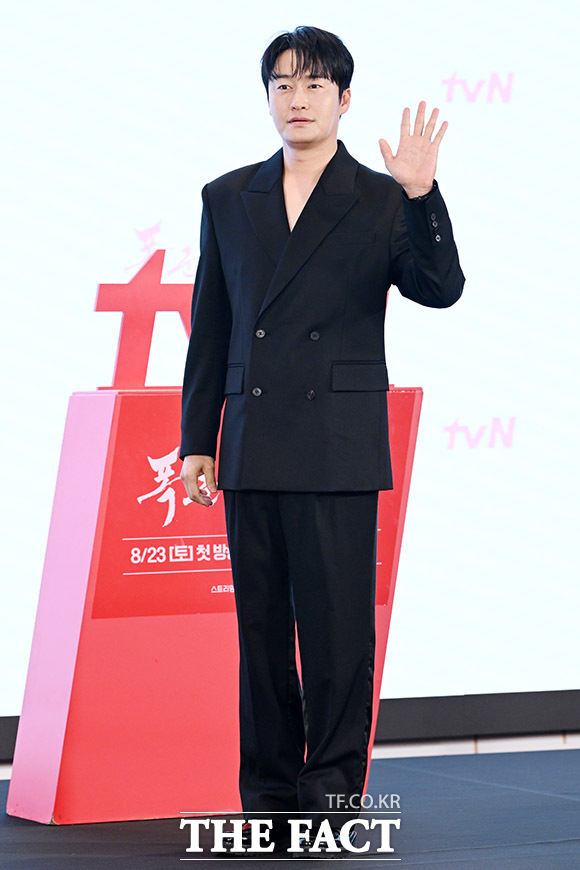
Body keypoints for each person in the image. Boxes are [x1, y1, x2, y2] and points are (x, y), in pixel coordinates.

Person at [180, 25, 464, 856]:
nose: (296, 99)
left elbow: (440, 289)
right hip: (253, 440)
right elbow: (212, 328)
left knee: (339, 634)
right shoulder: (227, 196)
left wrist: (423, 196)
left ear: (344, 99)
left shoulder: (381, 197)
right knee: (261, 633)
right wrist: (198, 439)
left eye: (313, 85)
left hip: (337, 442)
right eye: (282, 84)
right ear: (267, 97)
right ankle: (269, 795)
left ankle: (332, 795)